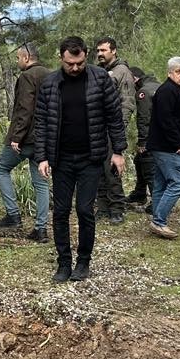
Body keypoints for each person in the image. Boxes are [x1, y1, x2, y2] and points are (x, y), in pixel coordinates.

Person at [32, 37, 127, 283]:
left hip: (91, 157)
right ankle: (63, 263)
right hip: (61, 159)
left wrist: (118, 152)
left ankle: (83, 262)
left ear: (86, 56)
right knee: (61, 212)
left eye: (80, 63)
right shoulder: (50, 84)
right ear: (61, 58)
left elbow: (114, 117)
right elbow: (41, 122)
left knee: (85, 210)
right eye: (69, 64)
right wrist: (41, 157)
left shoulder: (100, 79)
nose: (75, 68)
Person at [0, 43, 51, 242]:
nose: (17, 61)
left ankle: (13, 215)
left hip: (27, 138)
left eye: (18, 58)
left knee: (1, 168)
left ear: (26, 58)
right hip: (44, 139)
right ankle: (41, 228)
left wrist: (17, 136)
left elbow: (24, 109)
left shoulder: (27, 76)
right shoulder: (50, 74)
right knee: (41, 182)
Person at [147, 57, 180, 240]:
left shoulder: (174, 90)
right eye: (178, 71)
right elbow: (166, 121)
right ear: (169, 73)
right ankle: (159, 221)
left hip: (162, 146)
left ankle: (158, 221)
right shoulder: (167, 91)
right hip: (167, 147)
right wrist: (179, 143)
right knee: (178, 183)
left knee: (161, 184)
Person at [94, 37, 137, 225]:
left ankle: (117, 208)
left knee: (112, 169)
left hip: (113, 129)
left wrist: (120, 128)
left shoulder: (122, 72)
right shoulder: (100, 72)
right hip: (98, 129)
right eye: (98, 51)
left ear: (114, 51)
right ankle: (103, 207)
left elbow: (127, 103)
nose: (100, 54)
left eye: (103, 50)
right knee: (99, 169)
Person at [127, 67, 163, 207]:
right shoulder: (159, 86)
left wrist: (143, 142)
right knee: (139, 160)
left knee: (148, 164)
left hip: (153, 137)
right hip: (165, 136)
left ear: (134, 79)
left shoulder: (143, 92)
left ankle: (158, 204)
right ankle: (140, 193)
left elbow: (144, 119)